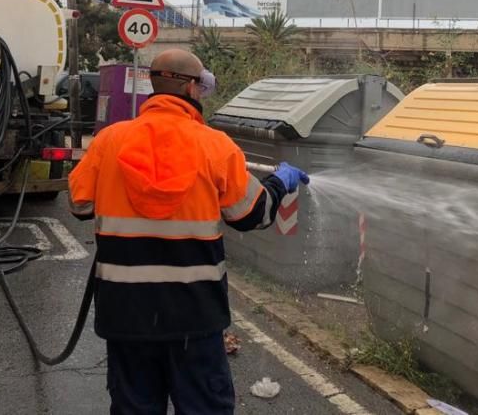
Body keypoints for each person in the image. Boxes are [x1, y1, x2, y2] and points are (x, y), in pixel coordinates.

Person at [69, 49, 310, 415]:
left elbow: (80, 205)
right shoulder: (215, 146)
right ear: (193, 89)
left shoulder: (109, 141)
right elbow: (254, 214)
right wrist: (280, 181)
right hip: (194, 316)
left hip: (125, 315)